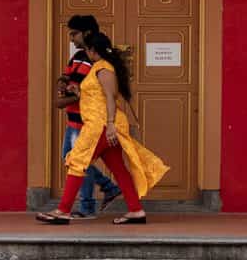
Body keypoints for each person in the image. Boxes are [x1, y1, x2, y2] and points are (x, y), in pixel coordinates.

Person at [38, 31, 169, 226]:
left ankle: (63, 210)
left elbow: (110, 97)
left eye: (87, 49)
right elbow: (97, 95)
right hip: (102, 124)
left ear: (92, 50)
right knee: (119, 169)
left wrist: (109, 125)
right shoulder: (101, 67)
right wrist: (78, 91)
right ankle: (135, 210)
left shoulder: (103, 68)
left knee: (77, 161)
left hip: (100, 125)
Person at [55, 16, 121, 218]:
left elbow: (89, 92)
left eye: (74, 34)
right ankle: (107, 187)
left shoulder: (95, 62)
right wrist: (62, 81)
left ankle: (87, 206)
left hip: (86, 120)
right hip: (74, 117)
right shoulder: (78, 56)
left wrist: (63, 99)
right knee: (75, 159)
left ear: (87, 33)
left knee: (76, 161)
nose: (72, 38)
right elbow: (68, 77)